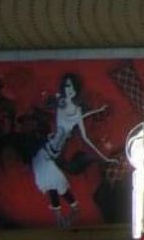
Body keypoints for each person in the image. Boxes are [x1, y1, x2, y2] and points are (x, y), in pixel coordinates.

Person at [31, 73, 116, 227]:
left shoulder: (77, 112)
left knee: (57, 185)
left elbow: (86, 137)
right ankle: (63, 219)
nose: (68, 89)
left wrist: (105, 158)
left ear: (75, 88)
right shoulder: (61, 105)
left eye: (70, 86)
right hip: (46, 154)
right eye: (66, 86)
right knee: (54, 185)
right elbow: (53, 106)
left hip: (51, 155)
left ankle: (68, 216)